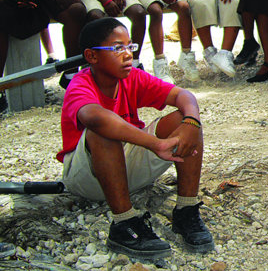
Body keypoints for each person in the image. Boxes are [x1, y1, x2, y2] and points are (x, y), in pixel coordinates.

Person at [58, 18, 213, 259]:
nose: (128, 55)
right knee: (104, 129)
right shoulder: (80, 85)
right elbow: (95, 119)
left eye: (130, 47)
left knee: (185, 121)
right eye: (117, 48)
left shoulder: (132, 78)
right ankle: (123, 223)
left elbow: (183, 95)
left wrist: (192, 121)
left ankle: (186, 210)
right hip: (87, 177)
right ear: (91, 56)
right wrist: (156, 144)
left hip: (123, 167)